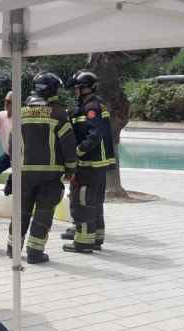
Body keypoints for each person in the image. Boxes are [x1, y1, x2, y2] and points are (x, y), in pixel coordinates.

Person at [4, 72, 77, 264]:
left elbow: (12, 144)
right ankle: (35, 253)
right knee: (43, 214)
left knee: (21, 212)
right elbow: (68, 146)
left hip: (24, 173)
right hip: (50, 175)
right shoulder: (59, 115)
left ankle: (13, 249)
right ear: (52, 90)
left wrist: (16, 166)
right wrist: (71, 169)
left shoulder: (21, 113)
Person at [62, 70, 115, 253]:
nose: (75, 92)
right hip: (97, 166)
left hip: (89, 164)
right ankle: (96, 237)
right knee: (94, 202)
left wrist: (76, 152)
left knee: (82, 201)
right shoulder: (94, 104)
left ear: (85, 88)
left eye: (77, 88)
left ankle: (84, 242)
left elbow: (94, 135)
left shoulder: (91, 107)